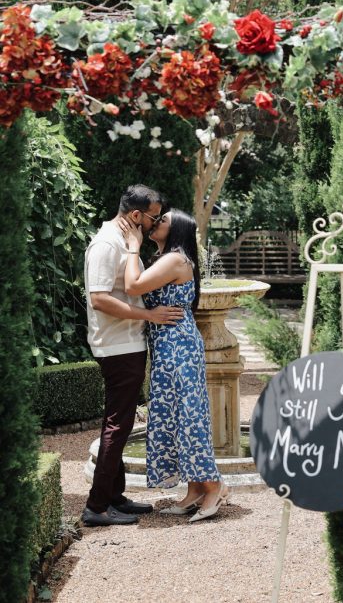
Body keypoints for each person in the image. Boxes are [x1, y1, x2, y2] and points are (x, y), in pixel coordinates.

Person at [82, 184, 185, 527]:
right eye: (153, 217)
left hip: (126, 344)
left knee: (120, 422)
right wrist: (150, 316)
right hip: (117, 346)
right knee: (118, 424)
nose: (156, 224)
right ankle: (97, 507)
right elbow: (99, 299)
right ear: (136, 215)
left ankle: (115, 496)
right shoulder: (107, 245)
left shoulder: (123, 242)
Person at [121, 208, 228, 522]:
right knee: (178, 415)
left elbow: (133, 286)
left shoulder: (176, 259)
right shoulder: (169, 258)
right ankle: (195, 490)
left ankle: (214, 487)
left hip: (177, 345)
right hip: (170, 344)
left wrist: (132, 245)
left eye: (163, 220)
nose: (156, 223)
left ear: (178, 230)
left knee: (187, 414)